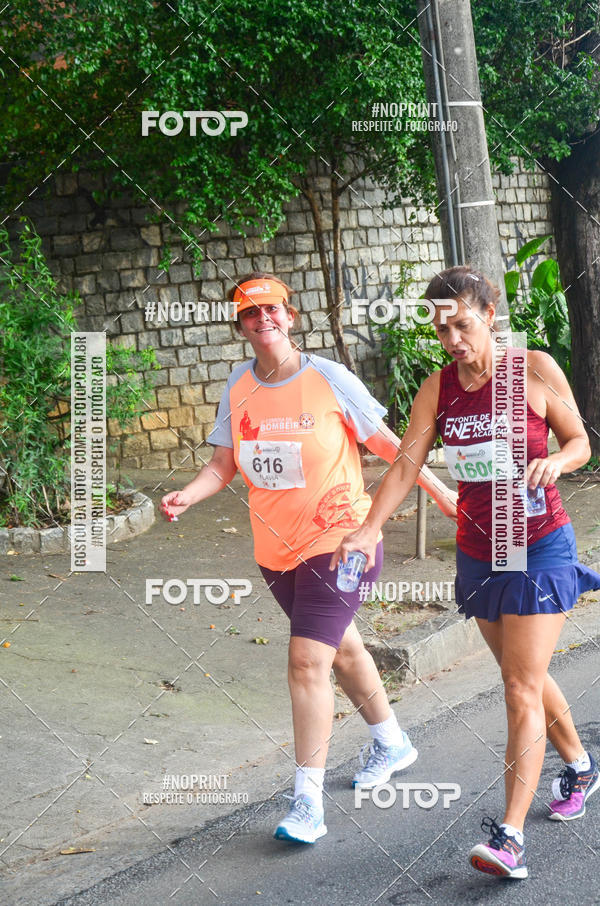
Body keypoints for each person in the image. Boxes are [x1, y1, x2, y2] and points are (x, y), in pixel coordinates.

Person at [160, 272, 457, 844]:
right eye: (251, 314)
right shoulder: (238, 385)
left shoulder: (328, 377)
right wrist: (187, 495)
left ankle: (307, 805)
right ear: (241, 325)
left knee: (304, 662)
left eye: (272, 310)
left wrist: (442, 493)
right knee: (342, 650)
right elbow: (223, 465)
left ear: (290, 316)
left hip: (344, 540)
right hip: (276, 553)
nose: (263, 320)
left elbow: (390, 443)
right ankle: (394, 742)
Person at [332, 265, 600, 879]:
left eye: (462, 323)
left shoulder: (532, 370)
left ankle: (509, 839)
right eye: (441, 327)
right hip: (481, 550)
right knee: (521, 674)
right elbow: (404, 465)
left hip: (540, 544)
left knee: (518, 688)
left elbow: (581, 441)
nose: (452, 337)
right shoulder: (439, 389)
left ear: (488, 313)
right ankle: (582, 767)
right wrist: (370, 527)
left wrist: (557, 461)